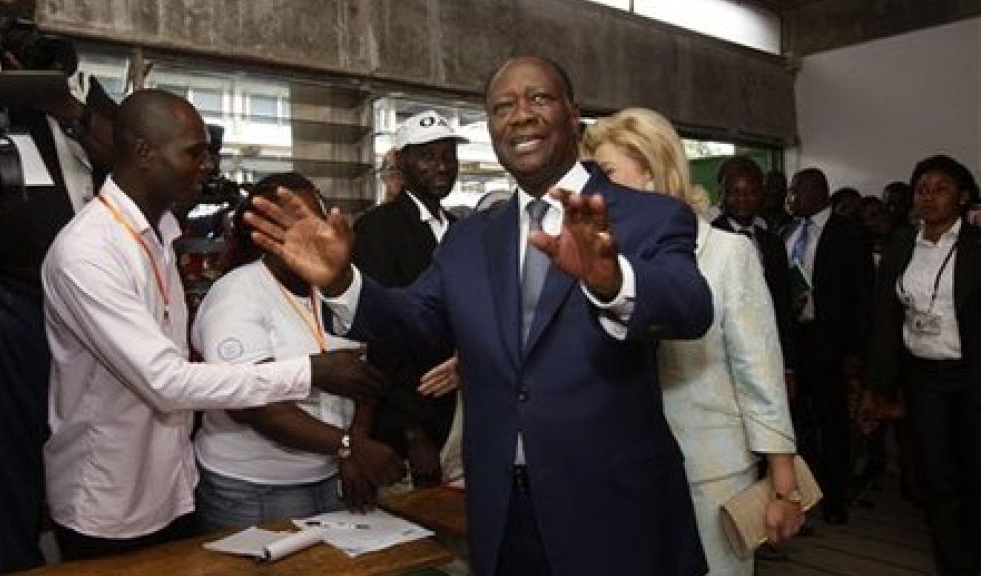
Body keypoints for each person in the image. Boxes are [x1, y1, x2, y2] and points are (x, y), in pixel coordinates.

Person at [244, 55, 713, 576]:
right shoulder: (469, 238)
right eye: (502, 107)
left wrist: (612, 280)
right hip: (502, 515)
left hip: (616, 515)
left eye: (539, 98)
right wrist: (340, 282)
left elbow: (691, 308)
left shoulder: (649, 215)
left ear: (573, 114)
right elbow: (413, 319)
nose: (521, 115)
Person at [40, 89, 382, 560]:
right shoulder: (89, 252)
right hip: (108, 497)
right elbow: (165, 382)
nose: (208, 166)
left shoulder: (159, 237)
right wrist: (310, 371)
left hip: (171, 485)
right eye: (194, 152)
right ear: (143, 153)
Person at [582, 107, 803, 575]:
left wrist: (784, 479)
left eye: (607, 174)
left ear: (651, 171)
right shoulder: (597, 263)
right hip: (621, 470)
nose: (593, 189)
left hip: (709, 472)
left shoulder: (726, 253)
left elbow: (759, 369)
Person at [0, 3, 116, 572]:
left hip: (79, 302)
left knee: (66, 442)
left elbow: (133, 152)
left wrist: (65, 105)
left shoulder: (78, 97)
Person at [192, 173, 405, 528]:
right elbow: (251, 405)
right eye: (296, 221)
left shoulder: (336, 285)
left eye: (318, 218)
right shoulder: (238, 293)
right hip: (256, 486)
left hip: (329, 473)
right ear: (265, 231)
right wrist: (349, 445)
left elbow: (363, 378)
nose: (315, 230)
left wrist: (351, 451)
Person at [864, 155, 981, 576]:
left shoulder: (976, 244)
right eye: (922, 189)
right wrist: (877, 386)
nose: (929, 197)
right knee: (937, 481)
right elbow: (885, 318)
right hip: (924, 378)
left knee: (975, 476)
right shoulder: (901, 245)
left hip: (972, 376)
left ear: (963, 197)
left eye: (941, 189)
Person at [352, 110, 465, 487]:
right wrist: (412, 433)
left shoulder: (462, 229)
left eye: (448, 155)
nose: (442, 166)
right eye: (427, 156)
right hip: (412, 420)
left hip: (462, 408)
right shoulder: (377, 228)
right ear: (401, 162)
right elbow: (382, 338)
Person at [785, 167, 874, 524]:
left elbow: (864, 297)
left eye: (797, 190)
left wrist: (856, 350)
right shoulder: (788, 231)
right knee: (800, 423)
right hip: (796, 342)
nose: (791, 197)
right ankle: (808, 493)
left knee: (833, 422)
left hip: (832, 344)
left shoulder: (848, 233)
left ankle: (836, 497)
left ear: (818, 192)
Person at [712, 156, 798, 394]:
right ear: (722, 195)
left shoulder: (773, 244)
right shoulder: (709, 238)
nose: (743, 199)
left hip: (767, 356)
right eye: (735, 192)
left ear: (762, 195)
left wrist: (789, 366)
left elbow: (783, 307)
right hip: (721, 360)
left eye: (750, 192)